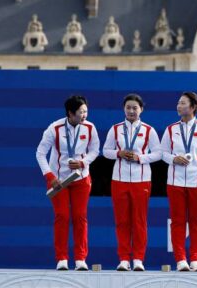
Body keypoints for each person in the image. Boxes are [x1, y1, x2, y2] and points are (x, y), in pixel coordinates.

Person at [35, 95, 100, 271]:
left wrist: (83, 162)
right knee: (62, 216)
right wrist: (50, 176)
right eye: (81, 112)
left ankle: (80, 259)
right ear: (70, 113)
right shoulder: (54, 128)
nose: (85, 115)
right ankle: (62, 258)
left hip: (81, 178)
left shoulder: (90, 127)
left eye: (86, 111)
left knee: (80, 217)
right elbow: (40, 153)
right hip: (58, 181)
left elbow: (95, 150)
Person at [102, 93, 162, 271]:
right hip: (119, 179)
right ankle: (123, 259)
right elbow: (105, 151)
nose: (131, 111)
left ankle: (138, 259)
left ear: (141, 109)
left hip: (141, 179)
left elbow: (158, 153)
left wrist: (140, 158)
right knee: (122, 221)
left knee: (139, 221)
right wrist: (117, 154)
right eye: (128, 107)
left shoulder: (149, 130)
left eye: (135, 108)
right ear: (123, 109)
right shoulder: (115, 129)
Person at [160, 92, 197, 272]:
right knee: (177, 221)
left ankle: (196, 259)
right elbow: (162, 153)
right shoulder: (170, 129)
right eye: (178, 103)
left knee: (196, 222)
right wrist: (174, 158)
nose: (178, 106)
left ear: (192, 107)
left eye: (182, 103)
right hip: (175, 182)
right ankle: (180, 260)